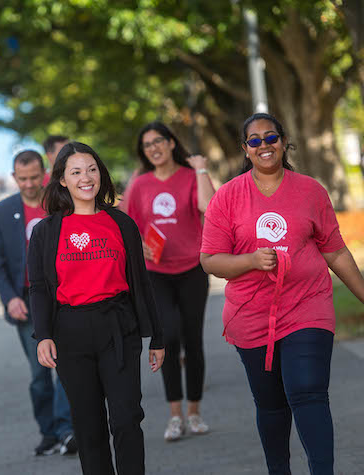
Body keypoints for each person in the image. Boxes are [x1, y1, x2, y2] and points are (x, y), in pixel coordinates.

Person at [200, 112, 364, 475]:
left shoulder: (310, 191)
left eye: (271, 138)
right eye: (254, 140)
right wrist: (252, 261)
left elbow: (335, 250)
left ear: (283, 142)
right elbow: (210, 260)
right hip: (251, 316)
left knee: (308, 390)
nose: (264, 145)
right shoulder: (227, 197)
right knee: (271, 405)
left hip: (307, 306)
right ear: (245, 149)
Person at [28, 141, 165, 475]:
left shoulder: (121, 224)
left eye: (91, 169)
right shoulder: (46, 232)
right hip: (71, 332)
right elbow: (40, 288)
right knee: (88, 426)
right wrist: (43, 335)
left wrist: (157, 337)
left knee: (127, 417)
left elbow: (140, 282)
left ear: (101, 175)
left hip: (118, 328)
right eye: (75, 172)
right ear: (62, 179)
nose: (85, 178)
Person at [126, 121, 215, 441]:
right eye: (147, 145)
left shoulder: (191, 177)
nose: (154, 148)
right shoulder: (140, 184)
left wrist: (202, 170)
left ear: (171, 143)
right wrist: (140, 245)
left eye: (159, 141)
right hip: (156, 274)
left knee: (193, 339)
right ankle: (174, 415)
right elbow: (126, 226)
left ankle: (194, 412)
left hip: (192, 268)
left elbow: (209, 207)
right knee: (168, 337)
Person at [0, 150, 76, 456]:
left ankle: (66, 429)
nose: (29, 184)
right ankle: (49, 431)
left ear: (45, 173)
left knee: (65, 364)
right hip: (26, 300)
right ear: (14, 177)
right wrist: (9, 298)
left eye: (34, 177)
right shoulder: (2, 212)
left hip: (63, 297)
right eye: (22, 178)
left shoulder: (61, 205)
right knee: (40, 371)